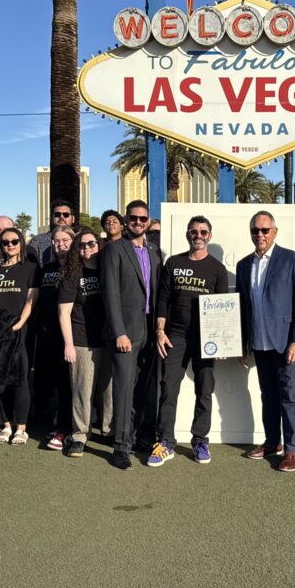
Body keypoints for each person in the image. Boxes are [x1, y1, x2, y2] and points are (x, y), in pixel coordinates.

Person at [151, 215, 229, 466]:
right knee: (168, 388)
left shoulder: (217, 269)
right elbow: (162, 299)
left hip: (206, 340)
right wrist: (160, 331)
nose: (198, 236)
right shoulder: (174, 262)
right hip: (175, 337)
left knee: (204, 390)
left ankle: (200, 440)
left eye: (203, 232)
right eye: (194, 232)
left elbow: (222, 307)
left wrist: (222, 341)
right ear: (187, 234)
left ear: (210, 235)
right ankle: (165, 442)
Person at [237, 210, 295, 473]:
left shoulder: (291, 259)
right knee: (268, 395)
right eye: (255, 230)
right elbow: (243, 307)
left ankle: (292, 449)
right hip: (259, 342)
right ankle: (272, 442)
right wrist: (241, 344)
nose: (260, 235)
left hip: (286, 342)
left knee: (290, 396)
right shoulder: (243, 265)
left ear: (274, 232)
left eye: (265, 230)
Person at [101, 200, 163, 470]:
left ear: (148, 221)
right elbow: (110, 294)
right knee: (124, 390)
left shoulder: (155, 251)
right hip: (126, 332)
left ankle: (139, 437)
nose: (138, 222)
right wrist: (119, 332)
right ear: (126, 221)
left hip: (150, 330)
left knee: (145, 390)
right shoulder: (115, 250)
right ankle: (120, 447)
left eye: (143, 218)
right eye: (134, 218)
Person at [0, 226, 39, 445]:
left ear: (21, 243)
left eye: (14, 241)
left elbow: (31, 299)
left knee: (20, 380)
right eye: (5, 242)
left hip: (18, 333)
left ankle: (21, 428)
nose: (10, 245)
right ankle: (6, 425)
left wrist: (19, 324)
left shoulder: (31, 268)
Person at [59, 228, 112, 458]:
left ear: (98, 244)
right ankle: (80, 434)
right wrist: (68, 344)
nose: (87, 248)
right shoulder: (73, 274)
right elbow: (63, 313)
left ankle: (109, 431)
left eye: (91, 244)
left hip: (110, 340)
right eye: (81, 245)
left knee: (110, 391)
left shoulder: (108, 269)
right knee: (83, 390)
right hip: (81, 341)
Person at [32, 226, 74, 450]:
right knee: (54, 382)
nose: (61, 244)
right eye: (57, 241)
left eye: (65, 239)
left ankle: (64, 429)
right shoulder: (45, 269)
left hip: (71, 338)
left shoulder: (78, 268)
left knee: (68, 387)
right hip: (47, 335)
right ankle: (53, 423)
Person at [29, 200, 75, 264]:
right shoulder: (38, 240)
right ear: (52, 218)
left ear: (73, 219)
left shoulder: (80, 239)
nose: (61, 217)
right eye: (57, 214)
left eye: (66, 215)